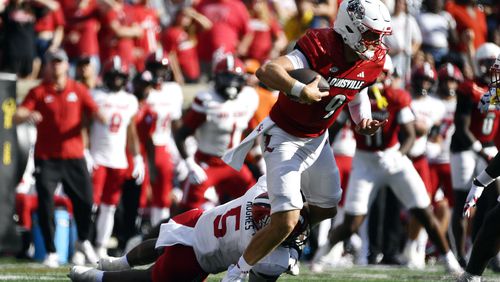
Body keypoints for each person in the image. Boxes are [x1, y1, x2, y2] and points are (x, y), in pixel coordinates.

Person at [220, 0, 391, 280]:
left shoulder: (373, 59)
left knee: (327, 206)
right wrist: (299, 89)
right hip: (284, 134)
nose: (376, 43)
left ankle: (279, 228)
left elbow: (358, 86)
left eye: (379, 36)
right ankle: (237, 272)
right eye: (372, 35)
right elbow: (266, 71)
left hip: (317, 138)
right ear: (350, 28)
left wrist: (363, 120)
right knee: (287, 218)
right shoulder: (321, 44)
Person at [310, 52, 462, 274]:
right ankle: (320, 256)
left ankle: (450, 261)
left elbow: (410, 134)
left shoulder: (397, 97)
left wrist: (399, 154)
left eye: (384, 74)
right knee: (352, 221)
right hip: (364, 161)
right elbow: (334, 128)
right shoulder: (355, 95)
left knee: (423, 210)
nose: (380, 79)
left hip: (394, 159)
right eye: (377, 73)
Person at [68, 176, 305, 282]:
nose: (292, 220)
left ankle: (120, 261)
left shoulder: (260, 189)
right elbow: (267, 270)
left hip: (198, 219)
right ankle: (96, 277)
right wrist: (293, 255)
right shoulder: (266, 254)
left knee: (162, 238)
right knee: (151, 277)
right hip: (197, 257)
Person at [13, 49, 102, 267]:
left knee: (87, 201)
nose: (56, 66)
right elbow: (17, 115)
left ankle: (83, 240)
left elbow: (96, 111)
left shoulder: (78, 89)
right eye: (52, 62)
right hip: (48, 158)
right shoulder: (39, 91)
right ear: (47, 66)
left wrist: (104, 118)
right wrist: (29, 114)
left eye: (60, 62)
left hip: (74, 157)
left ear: (65, 65)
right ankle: (51, 251)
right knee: (45, 202)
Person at [174, 54, 259, 212]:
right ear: (216, 78)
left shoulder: (248, 97)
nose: (231, 85)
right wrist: (190, 163)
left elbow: (252, 128)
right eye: (226, 78)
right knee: (186, 213)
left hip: (234, 162)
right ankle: (158, 236)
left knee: (257, 201)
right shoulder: (207, 100)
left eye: (235, 79)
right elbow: (181, 134)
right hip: (207, 163)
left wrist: (258, 152)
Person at [449, 42, 500, 266]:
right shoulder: (469, 87)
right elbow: (461, 127)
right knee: (463, 200)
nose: (491, 68)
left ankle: (489, 251)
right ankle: (460, 255)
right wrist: (480, 149)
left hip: (488, 145)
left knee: (496, 198)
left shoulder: (497, 90)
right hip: (465, 147)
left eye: (494, 63)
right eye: (487, 63)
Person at [89, 56, 145, 259]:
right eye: (114, 76)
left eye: (121, 76)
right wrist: (86, 151)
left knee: (110, 207)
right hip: (97, 157)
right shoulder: (95, 95)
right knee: (91, 205)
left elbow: (131, 131)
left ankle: (100, 247)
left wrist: (137, 157)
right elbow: (85, 125)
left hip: (118, 159)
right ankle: (85, 243)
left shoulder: (130, 100)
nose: (117, 80)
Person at [140, 52, 184, 225]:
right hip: (142, 146)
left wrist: (180, 151)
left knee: (163, 194)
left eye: (161, 68)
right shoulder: (142, 89)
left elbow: (176, 123)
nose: (158, 73)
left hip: (164, 144)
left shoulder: (173, 90)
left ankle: (158, 232)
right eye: (154, 68)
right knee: (141, 194)